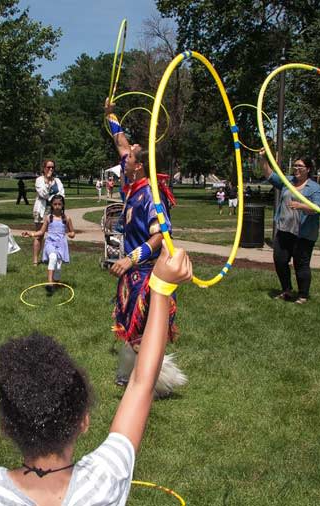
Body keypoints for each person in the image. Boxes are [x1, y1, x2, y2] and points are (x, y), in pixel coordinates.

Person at [0, 247, 191, 505]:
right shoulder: (103, 481)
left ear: (5, 427)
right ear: (84, 421)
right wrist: (160, 288)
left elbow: (140, 385)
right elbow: (141, 384)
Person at [105, 98, 184, 396]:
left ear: (139, 167)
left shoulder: (150, 196)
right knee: (132, 326)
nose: (124, 157)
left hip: (150, 273)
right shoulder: (133, 185)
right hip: (136, 272)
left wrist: (131, 259)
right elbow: (121, 144)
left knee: (146, 328)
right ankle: (133, 374)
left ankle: (156, 382)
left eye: (130, 157)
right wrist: (111, 115)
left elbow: (160, 237)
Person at [260, 149, 320, 303]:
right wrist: (263, 158)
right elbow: (269, 174)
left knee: (300, 264)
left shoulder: (314, 188)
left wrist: (300, 205)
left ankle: (303, 295)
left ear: (308, 169)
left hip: (303, 233)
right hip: (284, 230)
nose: (296, 169)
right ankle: (287, 290)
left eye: (300, 166)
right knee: (280, 260)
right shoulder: (287, 181)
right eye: (295, 166)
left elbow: (318, 208)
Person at [22, 194, 75, 291]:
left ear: (63, 205)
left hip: (61, 245)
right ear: (51, 205)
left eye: (59, 204)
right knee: (53, 257)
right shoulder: (48, 218)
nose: (57, 206)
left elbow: (72, 231)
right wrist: (31, 234)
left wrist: (71, 234)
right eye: (55, 204)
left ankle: (56, 283)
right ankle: (50, 282)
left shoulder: (66, 219)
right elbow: (41, 232)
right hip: (50, 243)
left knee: (58, 267)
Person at [33, 160, 64, 265]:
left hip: (54, 211)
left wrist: (56, 201)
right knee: (39, 235)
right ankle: (35, 260)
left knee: (55, 235)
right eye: (48, 167)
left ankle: (54, 258)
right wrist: (47, 181)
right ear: (44, 168)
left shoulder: (58, 181)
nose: (51, 169)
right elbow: (43, 194)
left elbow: (61, 195)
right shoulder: (39, 180)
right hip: (42, 210)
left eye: (52, 167)